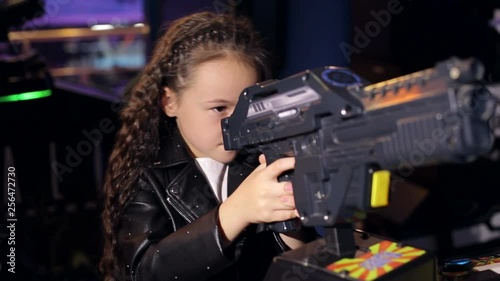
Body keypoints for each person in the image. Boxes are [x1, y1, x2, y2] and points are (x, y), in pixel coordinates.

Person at [99, 11, 316, 281]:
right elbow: (143, 271)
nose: (235, 124)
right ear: (170, 102)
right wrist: (236, 211)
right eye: (219, 108)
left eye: (249, 107)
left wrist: (290, 216)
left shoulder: (258, 160)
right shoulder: (147, 172)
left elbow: (295, 263)